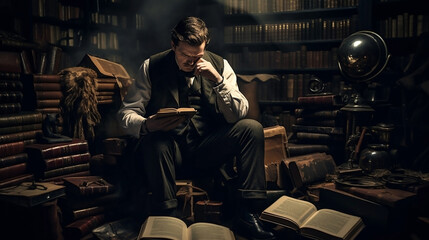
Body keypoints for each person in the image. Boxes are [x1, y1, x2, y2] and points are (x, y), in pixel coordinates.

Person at [117, 16, 275, 240]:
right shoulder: (151, 66)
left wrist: (218, 80)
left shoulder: (220, 65)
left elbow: (237, 114)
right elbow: (125, 113)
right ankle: (167, 215)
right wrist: (145, 124)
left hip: (207, 151)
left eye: (197, 56)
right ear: (173, 46)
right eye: (185, 56)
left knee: (251, 128)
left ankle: (248, 213)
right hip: (170, 155)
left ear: (205, 46)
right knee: (154, 139)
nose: (192, 63)